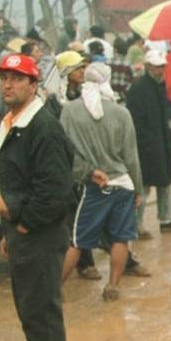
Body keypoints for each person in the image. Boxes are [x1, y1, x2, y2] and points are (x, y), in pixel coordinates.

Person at [0, 54, 75, 341]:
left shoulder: (43, 127)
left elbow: (56, 190)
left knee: (41, 310)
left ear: (33, 85)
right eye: (4, 78)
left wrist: (24, 222)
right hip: (21, 231)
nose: (8, 84)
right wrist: (9, 230)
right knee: (31, 309)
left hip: (38, 234)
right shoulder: (13, 122)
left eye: (17, 78)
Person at [59, 63, 142, 302]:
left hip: (92, 186)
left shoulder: (70, 111)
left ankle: (54, 289)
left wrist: (85, 171)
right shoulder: (121, 113)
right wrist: (137, 187)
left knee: (78, 240)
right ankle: (113, 286)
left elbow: (65, 151)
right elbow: (131, 157)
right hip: (123, 183)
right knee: (120, 238)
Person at [126, 49, 171, 235]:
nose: (160, 70)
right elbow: (135, 120)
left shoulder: (160, 85)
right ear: (148, 67)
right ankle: (136, 225)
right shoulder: (138, 87)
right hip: (146, 145)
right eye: (156, 67)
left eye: (162, 66)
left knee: (164, 184)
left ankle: (166, 218)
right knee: (143, 186)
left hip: (161, 142)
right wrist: (146, 141)